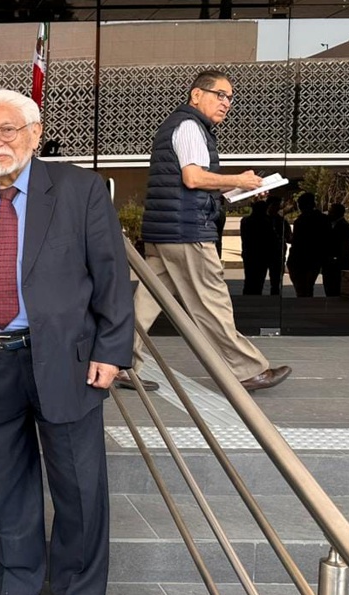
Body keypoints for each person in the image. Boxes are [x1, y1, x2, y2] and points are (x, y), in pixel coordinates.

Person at [0, 89, 134, 595]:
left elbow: (111, 277)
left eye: (8, 131)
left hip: (66, 359)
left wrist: (112, 351)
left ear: (35, 134)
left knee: (79, 483)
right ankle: (14, 586)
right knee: (1, 482)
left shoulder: (79, 190)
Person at [116, 70, 292, 393]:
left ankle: (116, 363)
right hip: (187, 233)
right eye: (220, 95)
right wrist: (238, 179)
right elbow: (193, 179)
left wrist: (240, 190)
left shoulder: (182, 126)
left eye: (230, 98)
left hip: (166, 232)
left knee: (146, 302)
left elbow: (192, 185)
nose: (226, 103)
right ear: (196, 95)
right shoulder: (190, 127)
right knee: (213, 303)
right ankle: (246, 370)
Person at [287, 192, 330, 298]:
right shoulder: (323, 219)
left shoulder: (300, 221)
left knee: (301, 287)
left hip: (300, 257)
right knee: (308, 286)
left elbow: (298, 240)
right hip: (315, 257)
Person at [240, 199, 277, 295]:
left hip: (249, 253)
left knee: (249, 279)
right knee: (259, 280)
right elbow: (271, 238)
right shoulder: (267, 222)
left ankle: (248, 296)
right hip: (262, 255)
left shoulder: (245, 221)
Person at [323, 203, 349, 297]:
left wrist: (335, 259)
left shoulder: (344, 227)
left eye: (331, 212)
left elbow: (344, 247)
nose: (329, 214)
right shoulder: (332, 225)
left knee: (335, 290)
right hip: (331, 264)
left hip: (336, 265)